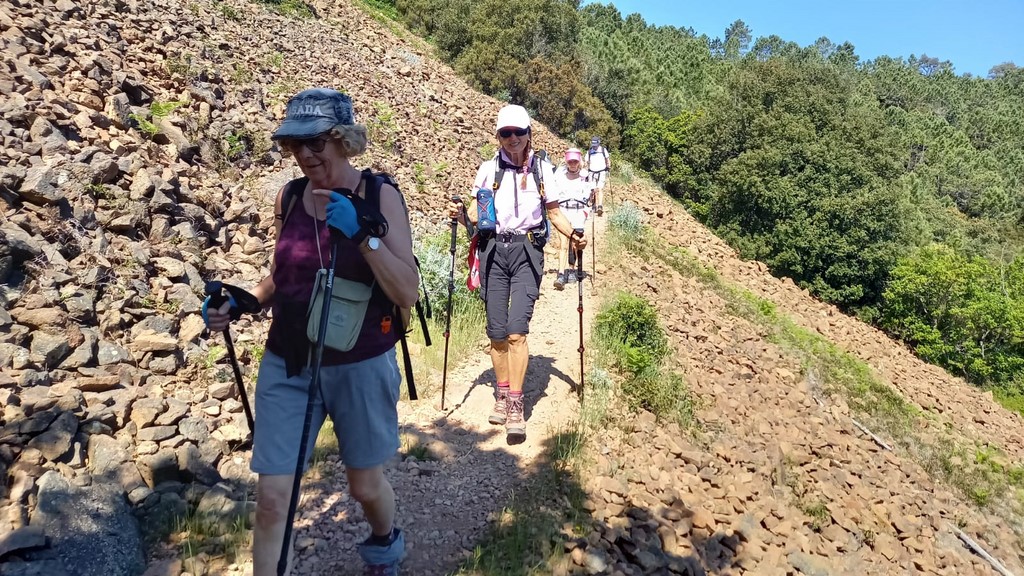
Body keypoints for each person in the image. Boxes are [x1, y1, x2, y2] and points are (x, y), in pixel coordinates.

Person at [201, 88, 416, 576]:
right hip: (289, 361)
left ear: (344, 140)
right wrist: (242, 301)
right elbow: (283, 276)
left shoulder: (379, 195)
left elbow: (406, 290)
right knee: (272, 500)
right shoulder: (291, 196)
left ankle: (385, 542)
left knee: (364, 486)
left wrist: (363, 236)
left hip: (360, 361)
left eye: (316, 142)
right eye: (295, 144)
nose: (305, 154)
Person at [448, 104, 586, 439]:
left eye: (519, 133)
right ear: (498, 136)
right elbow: (475, 214)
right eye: (506, 133)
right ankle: (501, 392)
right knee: (496, 332)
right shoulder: (488, 170)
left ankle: (514, 401)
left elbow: (554, 213)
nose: (513, 139)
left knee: (516, 332)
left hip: (527, 251)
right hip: (494, 251)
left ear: (528, 134)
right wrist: (460, 215)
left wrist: (574, 236)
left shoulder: (542, 170)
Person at [552, 148, 594, 289]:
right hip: (563, 210)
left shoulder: (585, 176)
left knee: (575, 243)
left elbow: (590, 194)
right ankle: (561, 274)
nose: (573, 164)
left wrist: (589, 207)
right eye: (570, 161)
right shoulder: (559, 174)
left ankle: (571, 269)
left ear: (579, 161)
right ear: (567, 161)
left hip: (578, 212)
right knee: (563, 243)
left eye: (575, 161)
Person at [586, 136, 609, 212]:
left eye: (596, 145)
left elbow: (607, 160)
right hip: (591, 172)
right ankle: (593, 204)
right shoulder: (589, 151)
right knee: (592, 190)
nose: (594, 147)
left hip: (601, 172)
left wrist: (608, 167)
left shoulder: (603, 150)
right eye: (593, 145)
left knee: (600, 189)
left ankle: (600, 206)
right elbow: (587, 162)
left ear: (599, 143)